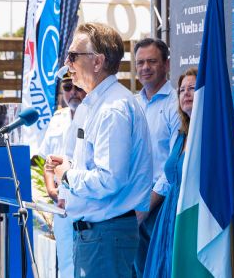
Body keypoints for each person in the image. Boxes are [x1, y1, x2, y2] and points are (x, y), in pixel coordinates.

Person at [47, 22, 153, 278]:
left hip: (105, 235)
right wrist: (69, 169)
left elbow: (110, 178)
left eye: (73, 56)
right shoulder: (97, 104)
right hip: (97, 234)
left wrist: (68, 175)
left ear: (97, 61)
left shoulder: (112, 109)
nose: (68, 63)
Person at [132, 38, 181, 278]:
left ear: (167, 64)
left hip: (162, 204)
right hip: (132, 202)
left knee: (159, 271)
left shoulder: (176, 105)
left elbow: (173, 164)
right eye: (140, 62)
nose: (145, 68)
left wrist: (146, 205)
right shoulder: (131, 104)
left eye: (152, 61)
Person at [143, 67, 197, 278]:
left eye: (192, 88)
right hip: (168, 218)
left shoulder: (217, 133)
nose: (186, 93)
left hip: (193, 217)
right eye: (182, 89)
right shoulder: (182, 134)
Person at [38, 73, 86, 278]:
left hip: (87, 199)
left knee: (87, 262)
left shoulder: (95, 115)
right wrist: (51, 190)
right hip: (61, 203)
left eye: (77, 87)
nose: (73, 92)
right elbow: (46, 162)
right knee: (65, 261)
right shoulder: (57, 120)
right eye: (67, 88)